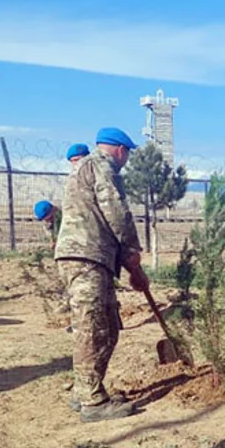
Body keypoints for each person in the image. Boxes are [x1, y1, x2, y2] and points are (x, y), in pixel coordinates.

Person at [54, 127, 149, 423]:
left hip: (94, 257)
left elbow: (103, 220)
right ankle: (92, 402)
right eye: (128, 153)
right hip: (86, 257)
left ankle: (87, 390)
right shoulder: (102, 166)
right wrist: (132, 250)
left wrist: (127, 262)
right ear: (120, 150)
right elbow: (116, 213)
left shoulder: (84, 167)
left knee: (107, 327)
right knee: (92, 328)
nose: (128, 159)